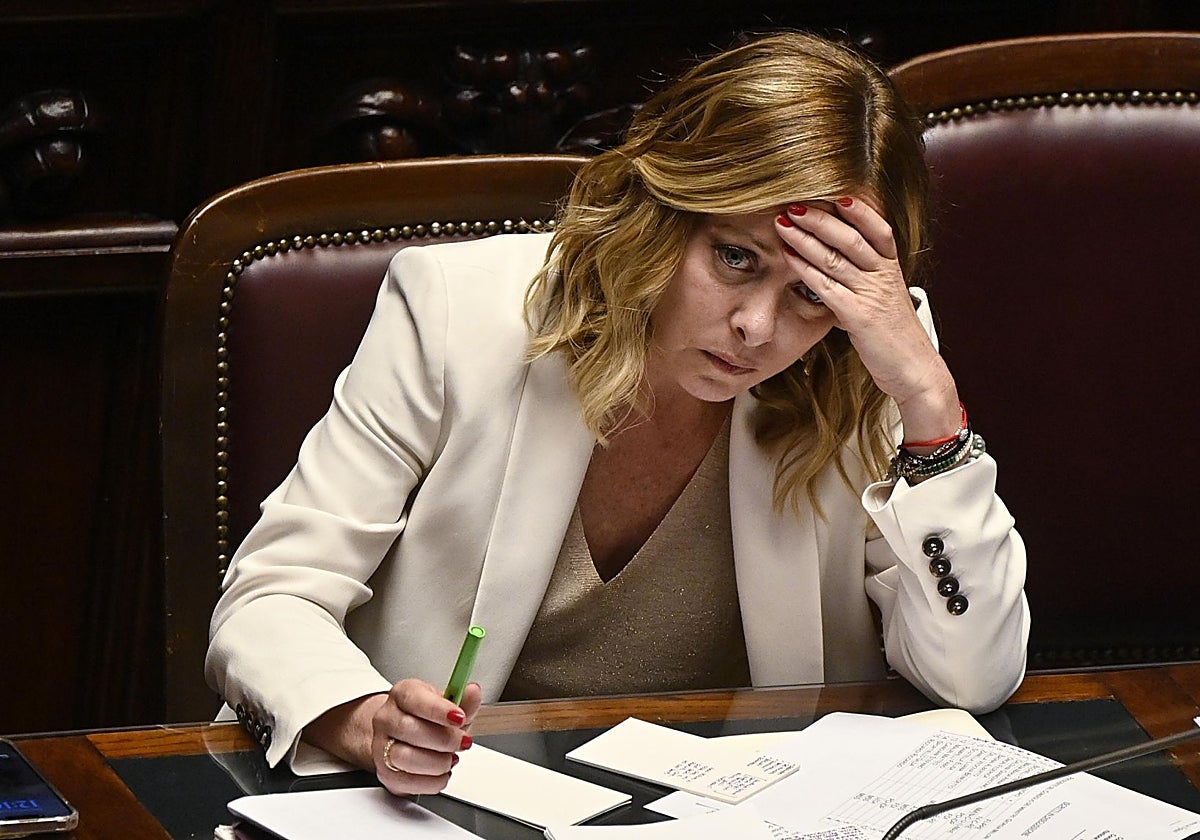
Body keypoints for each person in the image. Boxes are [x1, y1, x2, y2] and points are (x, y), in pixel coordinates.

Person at [206, 31, 1029, 796]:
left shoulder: (866, 362)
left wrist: (930, 408)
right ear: (660, 212)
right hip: (452, 810)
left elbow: (972, 678)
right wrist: (365, 725)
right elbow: (270, 601)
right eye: (734, 257)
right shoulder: (457, 312)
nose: (757, 327)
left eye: (811, 293)